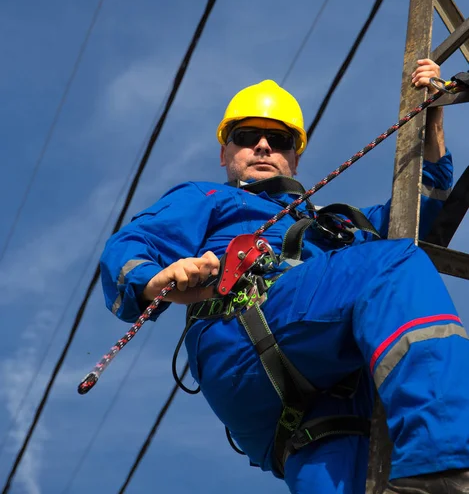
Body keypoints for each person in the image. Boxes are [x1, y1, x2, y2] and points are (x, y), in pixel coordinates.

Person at [100, 58, 469, 494]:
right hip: (241, 337)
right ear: (224, 152)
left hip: (313, 398)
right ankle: (442, 464)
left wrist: (432, 118)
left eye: (277, 139)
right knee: (393, 263)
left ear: (294, 156)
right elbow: (128, 245)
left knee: (351, 439)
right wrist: (153, 278)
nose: (261, 146)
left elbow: (421, 211)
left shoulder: (337, 229)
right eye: (245, 137)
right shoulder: (208, 197)